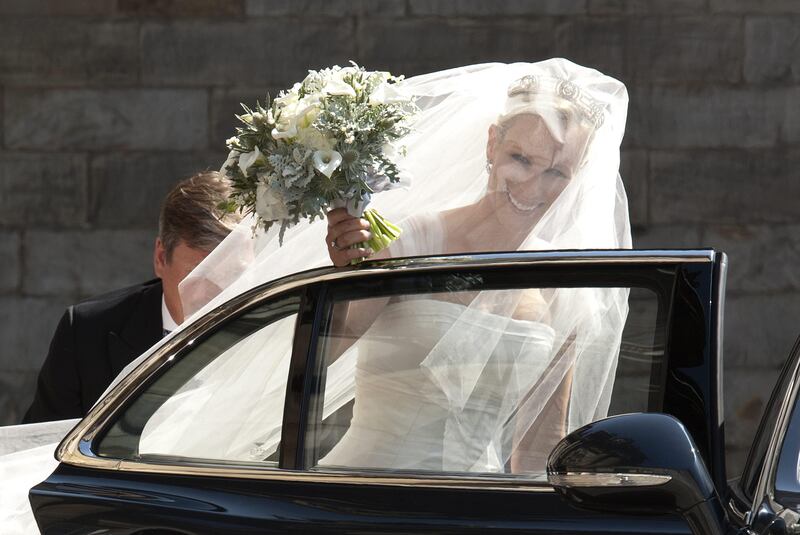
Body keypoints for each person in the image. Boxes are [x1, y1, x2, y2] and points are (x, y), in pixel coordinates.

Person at [22, 171, 240, 424]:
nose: (216, 291)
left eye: (230, 273)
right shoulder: (86, 333)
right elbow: (42, 447)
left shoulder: (281, 324)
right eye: (195, 274)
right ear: (161, 258)